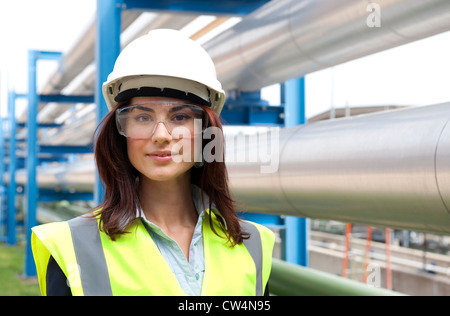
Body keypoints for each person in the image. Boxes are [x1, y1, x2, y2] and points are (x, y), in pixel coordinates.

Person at [31, 29, 275, 296]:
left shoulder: (253, 244)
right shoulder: (72, 245)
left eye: (180, 117)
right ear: (120, 132)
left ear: (206, 132)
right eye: (143, 118)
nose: (161, 135)